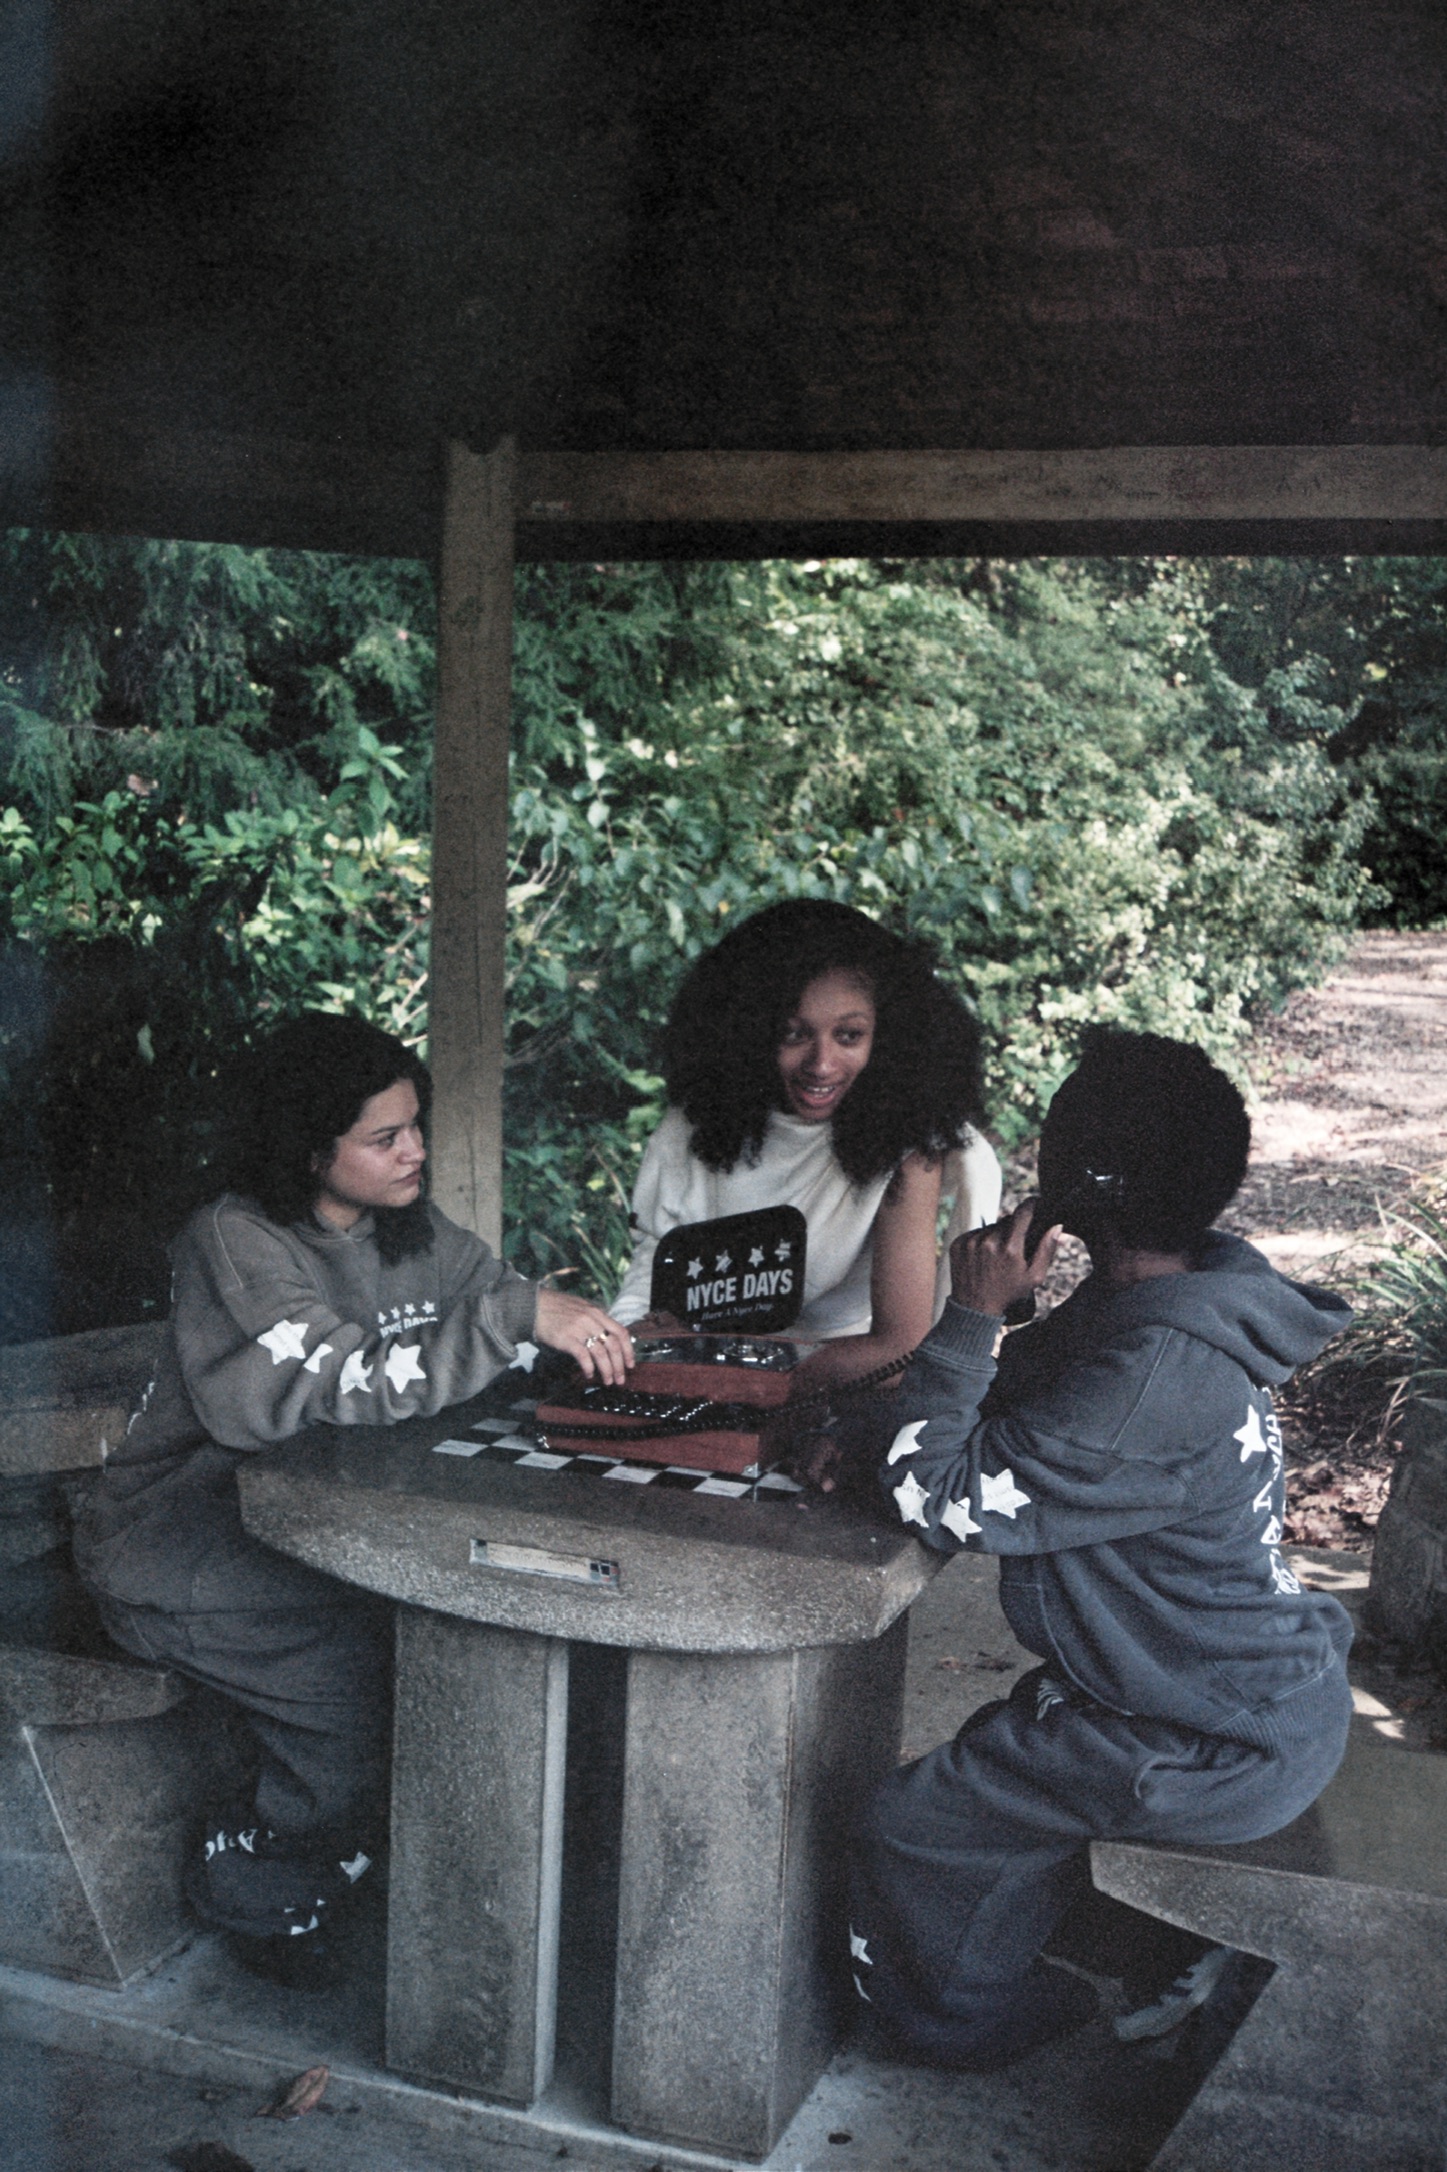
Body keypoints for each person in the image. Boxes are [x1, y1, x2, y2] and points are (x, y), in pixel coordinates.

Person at [74, 1011, 632, 1985]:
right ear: (307, 1148)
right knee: (363, 1697)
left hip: (325, 1534)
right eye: (385, 1137)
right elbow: (345, 1377)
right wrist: (511, 1318)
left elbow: (501, 1319)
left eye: (415, 1126)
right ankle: (257, 1877)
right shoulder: (234, 1241)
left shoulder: (410, 1227)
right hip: (184, 1552)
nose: (415, 1151)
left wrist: (580, 1344)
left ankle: (431, 1877)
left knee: (484, 1644)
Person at [845, 1028, 1354, 2071]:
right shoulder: (1165, 1291)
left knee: (916, 1820)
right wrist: (878, 1417)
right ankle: (1116, 1947)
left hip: (1202, 1740)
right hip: (1226, 1696)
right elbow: (1022, 1393)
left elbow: (934, 1499)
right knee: (994, 1764)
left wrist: (969, 1314)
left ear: (1081, 1182)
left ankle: (959, 2026)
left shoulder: (1153, 1371)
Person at [609, 900, 1002, 1395]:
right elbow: (648, 1293)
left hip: (840, 1387)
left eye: (849, 1036)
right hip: (699, 1375)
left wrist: (736, 1371)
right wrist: (624, 1346)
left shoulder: (905, 1143)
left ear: (888, 1037)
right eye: (793, 1034)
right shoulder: (691, 1127)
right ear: (748, 1032)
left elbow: (898, 1351)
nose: (821, 1064)